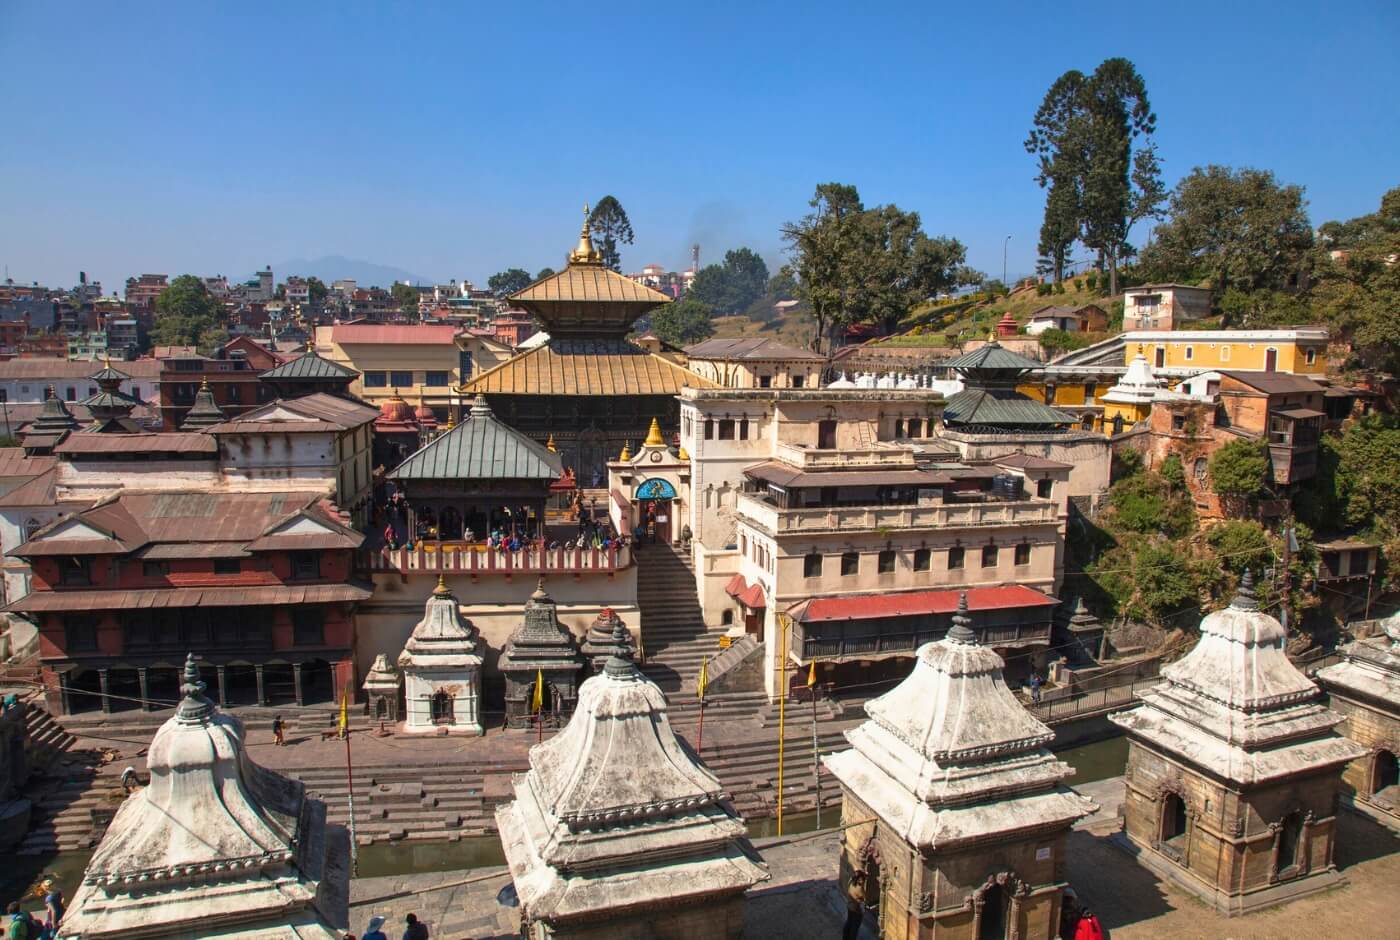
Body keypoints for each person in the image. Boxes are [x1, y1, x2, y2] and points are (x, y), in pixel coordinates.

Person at [842, 870, 866, 940]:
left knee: (849, 923)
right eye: (861, 880)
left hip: (849, 906)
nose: (862, 881)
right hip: (857, 910)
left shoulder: (851, 881)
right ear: (859, 879)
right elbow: (864, 897)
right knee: (854, 928)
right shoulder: (859, 889)